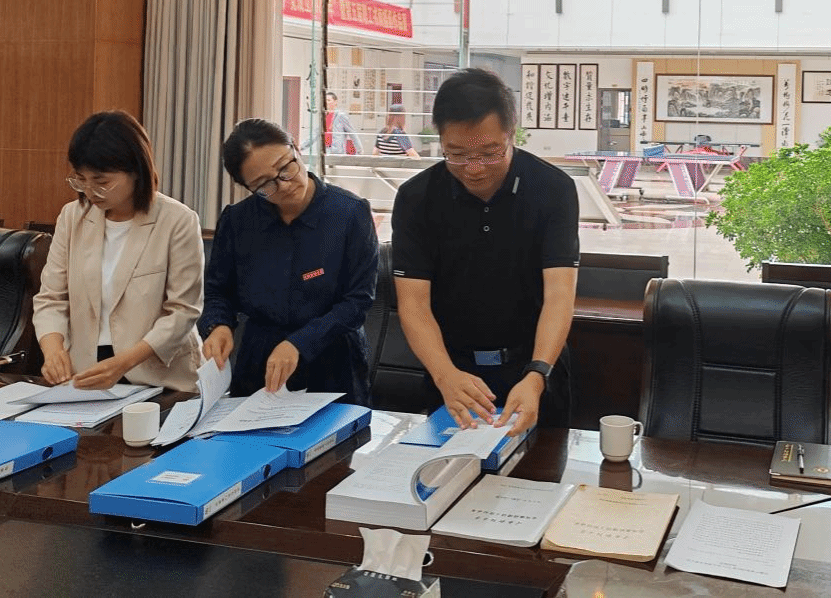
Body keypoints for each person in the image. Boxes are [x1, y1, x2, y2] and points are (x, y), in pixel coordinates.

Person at [392, 68, 578, 437]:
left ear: (512, 134)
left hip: (534, 366)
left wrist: (538, 373)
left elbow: (559, 295)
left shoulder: (553, 189)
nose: (474, 169)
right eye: (457, 154)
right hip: (453, 372)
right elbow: (413, 304)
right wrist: (445, 375)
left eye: (490, 153)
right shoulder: (416, 198)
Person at [197, 119, 377, 400]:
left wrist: (299, 343)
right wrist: (218, 325)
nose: (283, 184)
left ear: (296, 148)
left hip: (333, 363)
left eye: (285, 167)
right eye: (264, 184)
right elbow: (218, 291)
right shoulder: (237, 221)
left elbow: (357, 302)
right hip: (260, 363)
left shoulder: (350, 213)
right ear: (247, 187)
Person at [32, 111, 204, 392]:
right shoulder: (72, 217)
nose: (90, 191)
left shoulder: (178, 220)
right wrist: (53, 350)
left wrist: (122, 364)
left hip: (159, 376)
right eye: (81, 180)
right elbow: (51, 298)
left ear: (135, 171)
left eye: (101, 182)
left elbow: (183, 311)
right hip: (86, 374)